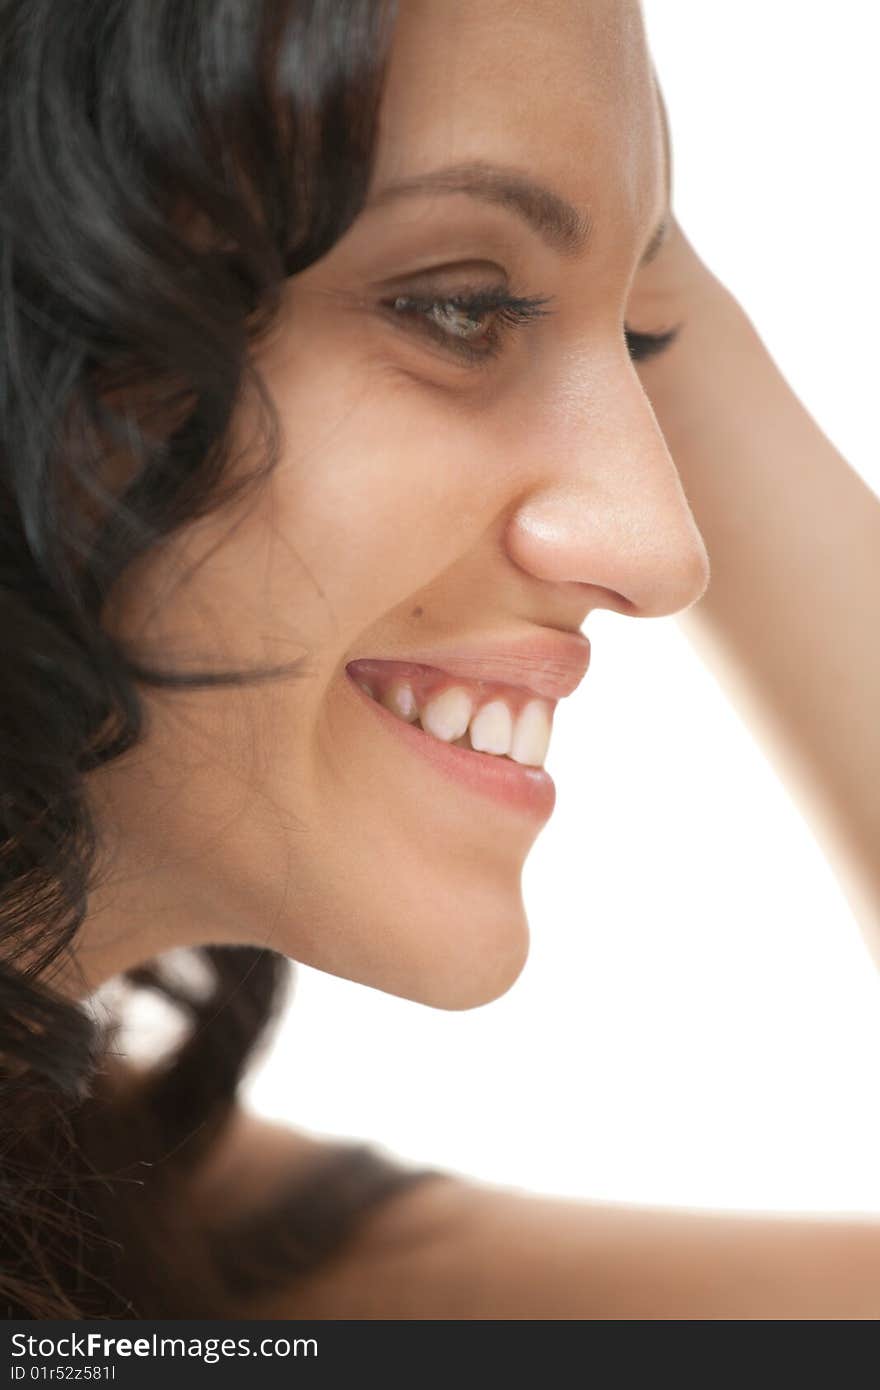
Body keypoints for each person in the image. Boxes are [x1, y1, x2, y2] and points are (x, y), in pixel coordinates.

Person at [2, 0, 879, 1319]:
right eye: (462, 310)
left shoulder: (106, 1234)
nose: (660, 549)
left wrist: (613, 207)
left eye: (642, 338)